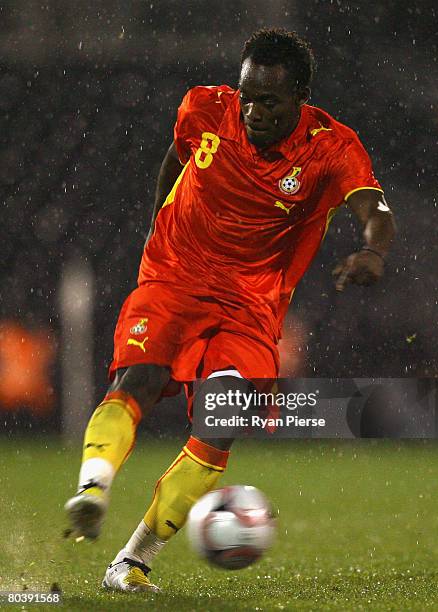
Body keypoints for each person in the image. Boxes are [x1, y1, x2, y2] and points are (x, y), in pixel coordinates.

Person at [65, 28, 396, 592]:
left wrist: (372, 249)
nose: (252, 111)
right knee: (138, 377)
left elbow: (373, 208)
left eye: (268, 101)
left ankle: (130, 561)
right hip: (174, 274)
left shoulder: (331, 148)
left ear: (301, 100)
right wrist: (155, 223)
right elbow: (177, 153)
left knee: (223, 418)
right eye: (247, 96)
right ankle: (93, 487)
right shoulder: (204, 107)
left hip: (250, 302)